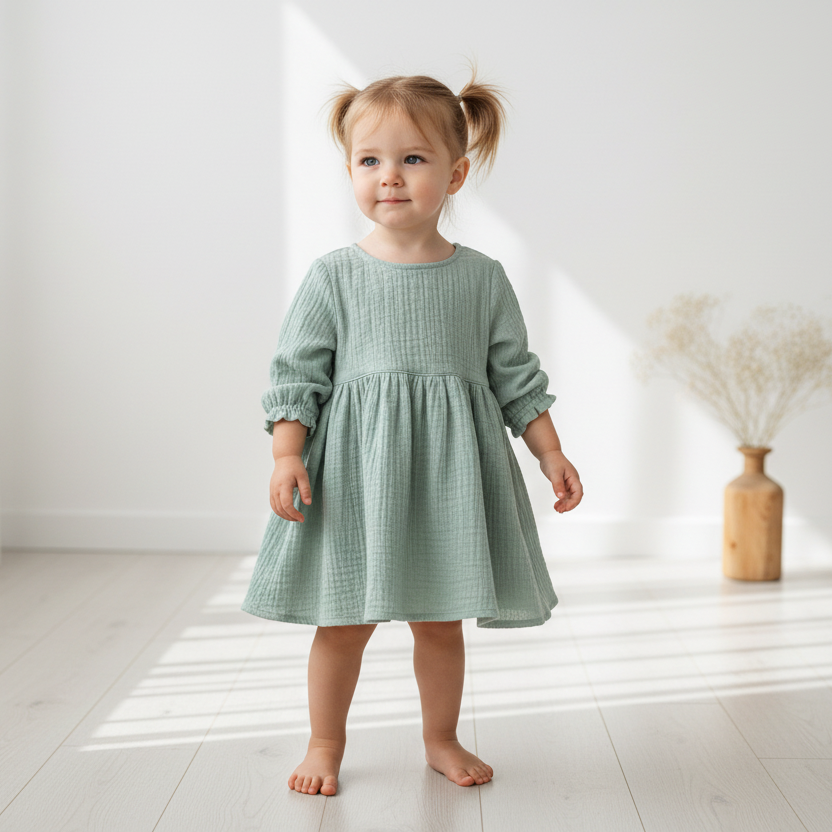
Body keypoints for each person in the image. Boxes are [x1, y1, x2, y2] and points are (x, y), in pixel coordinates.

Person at [241, 65, 584, 798]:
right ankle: (325, 741)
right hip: (356, 480)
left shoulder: (482, 278)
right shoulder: (334, 276)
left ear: (455, 174)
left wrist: (549, 452)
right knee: (342, 622)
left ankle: (440, 736)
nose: (389, 177)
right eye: (370, 161)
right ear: (349, 172)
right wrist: (286, 454)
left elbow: (516, 376)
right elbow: (296, 375)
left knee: (439, 622)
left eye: (412, 159)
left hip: (448, 479)